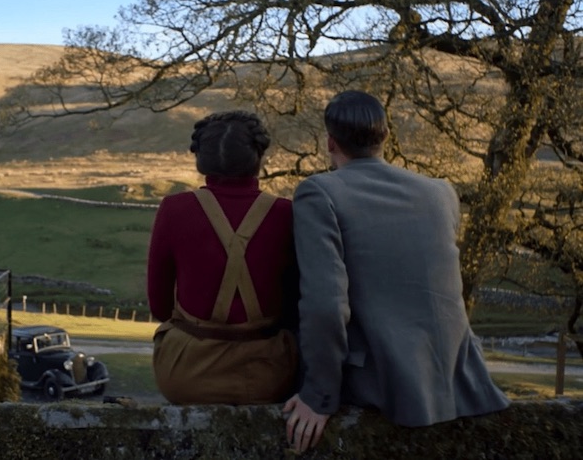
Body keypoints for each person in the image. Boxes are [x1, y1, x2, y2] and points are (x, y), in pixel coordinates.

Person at [284, 90, 510, 452]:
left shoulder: (319, 192)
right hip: (456, 379)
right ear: (386, 136)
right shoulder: (442, 192)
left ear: (330, 142)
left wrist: (318, 396)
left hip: (384, 382)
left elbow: (325, 305)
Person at [147, 110, 298, 405]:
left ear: (201, 159)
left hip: (186, 376)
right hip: (270, 375)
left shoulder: (175, 209)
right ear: (258, 157)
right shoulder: (287, 214)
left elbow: (160, 306)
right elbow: (295, 306)